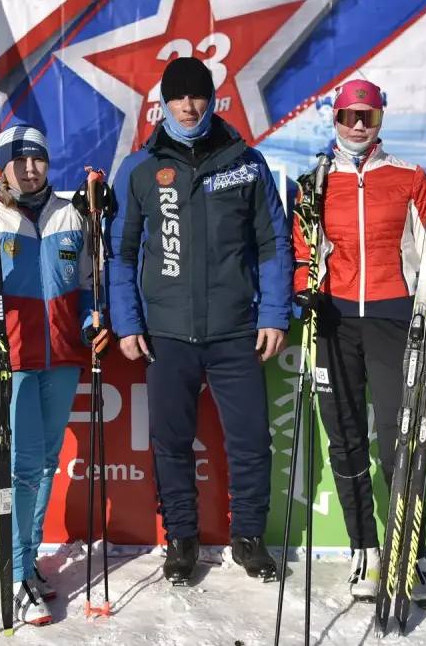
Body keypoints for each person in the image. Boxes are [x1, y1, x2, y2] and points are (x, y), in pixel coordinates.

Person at [290, 77, 426, 605]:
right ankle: (364, 551)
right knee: (345, 439)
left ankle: (407, 557)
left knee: (402, 441)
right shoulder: (315, 182)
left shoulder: (408, 177)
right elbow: (303, 249)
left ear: (380, 121)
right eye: (349, 116)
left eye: (367, 117)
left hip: (394, 316)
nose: (357, 126)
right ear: (335, 119)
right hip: (335, 321)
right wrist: (305, 290)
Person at [109, 57, 293, 586]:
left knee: (252, 440)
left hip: (237, 330)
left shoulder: (245, 162)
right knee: (170, 442)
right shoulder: (140, 168)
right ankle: (182, 539)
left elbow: (272, 244)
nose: (189, 107)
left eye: (198, 96)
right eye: (178, 98)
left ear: (213, 99)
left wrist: (275, 312)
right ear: (162, 102)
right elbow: (120, 254)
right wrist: (127, 323)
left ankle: (249, 538)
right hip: (167, 335)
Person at [0, 123, 110, 625]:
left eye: (39, 160)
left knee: (47, 462)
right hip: (9, 360)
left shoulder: (72, 214)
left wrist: (94, 320)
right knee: (22, 467)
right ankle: (13, 573)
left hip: (62, 358)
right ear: (3, 166)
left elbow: (87, 287)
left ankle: (26, 560)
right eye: (20, 160)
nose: (31, 169)